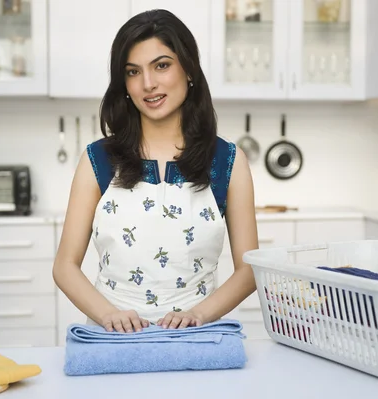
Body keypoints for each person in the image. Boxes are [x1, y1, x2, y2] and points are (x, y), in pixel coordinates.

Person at [52, 9, 258, 334]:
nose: (148, 84)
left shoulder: (228, 161)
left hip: (196, 336)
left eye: (161, 66)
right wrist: (108, 315)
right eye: (133, 72)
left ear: (188, 69)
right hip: (112, 338)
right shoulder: (98, 160)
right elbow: (64, 266)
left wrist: (199, 315)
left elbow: (248, 271)